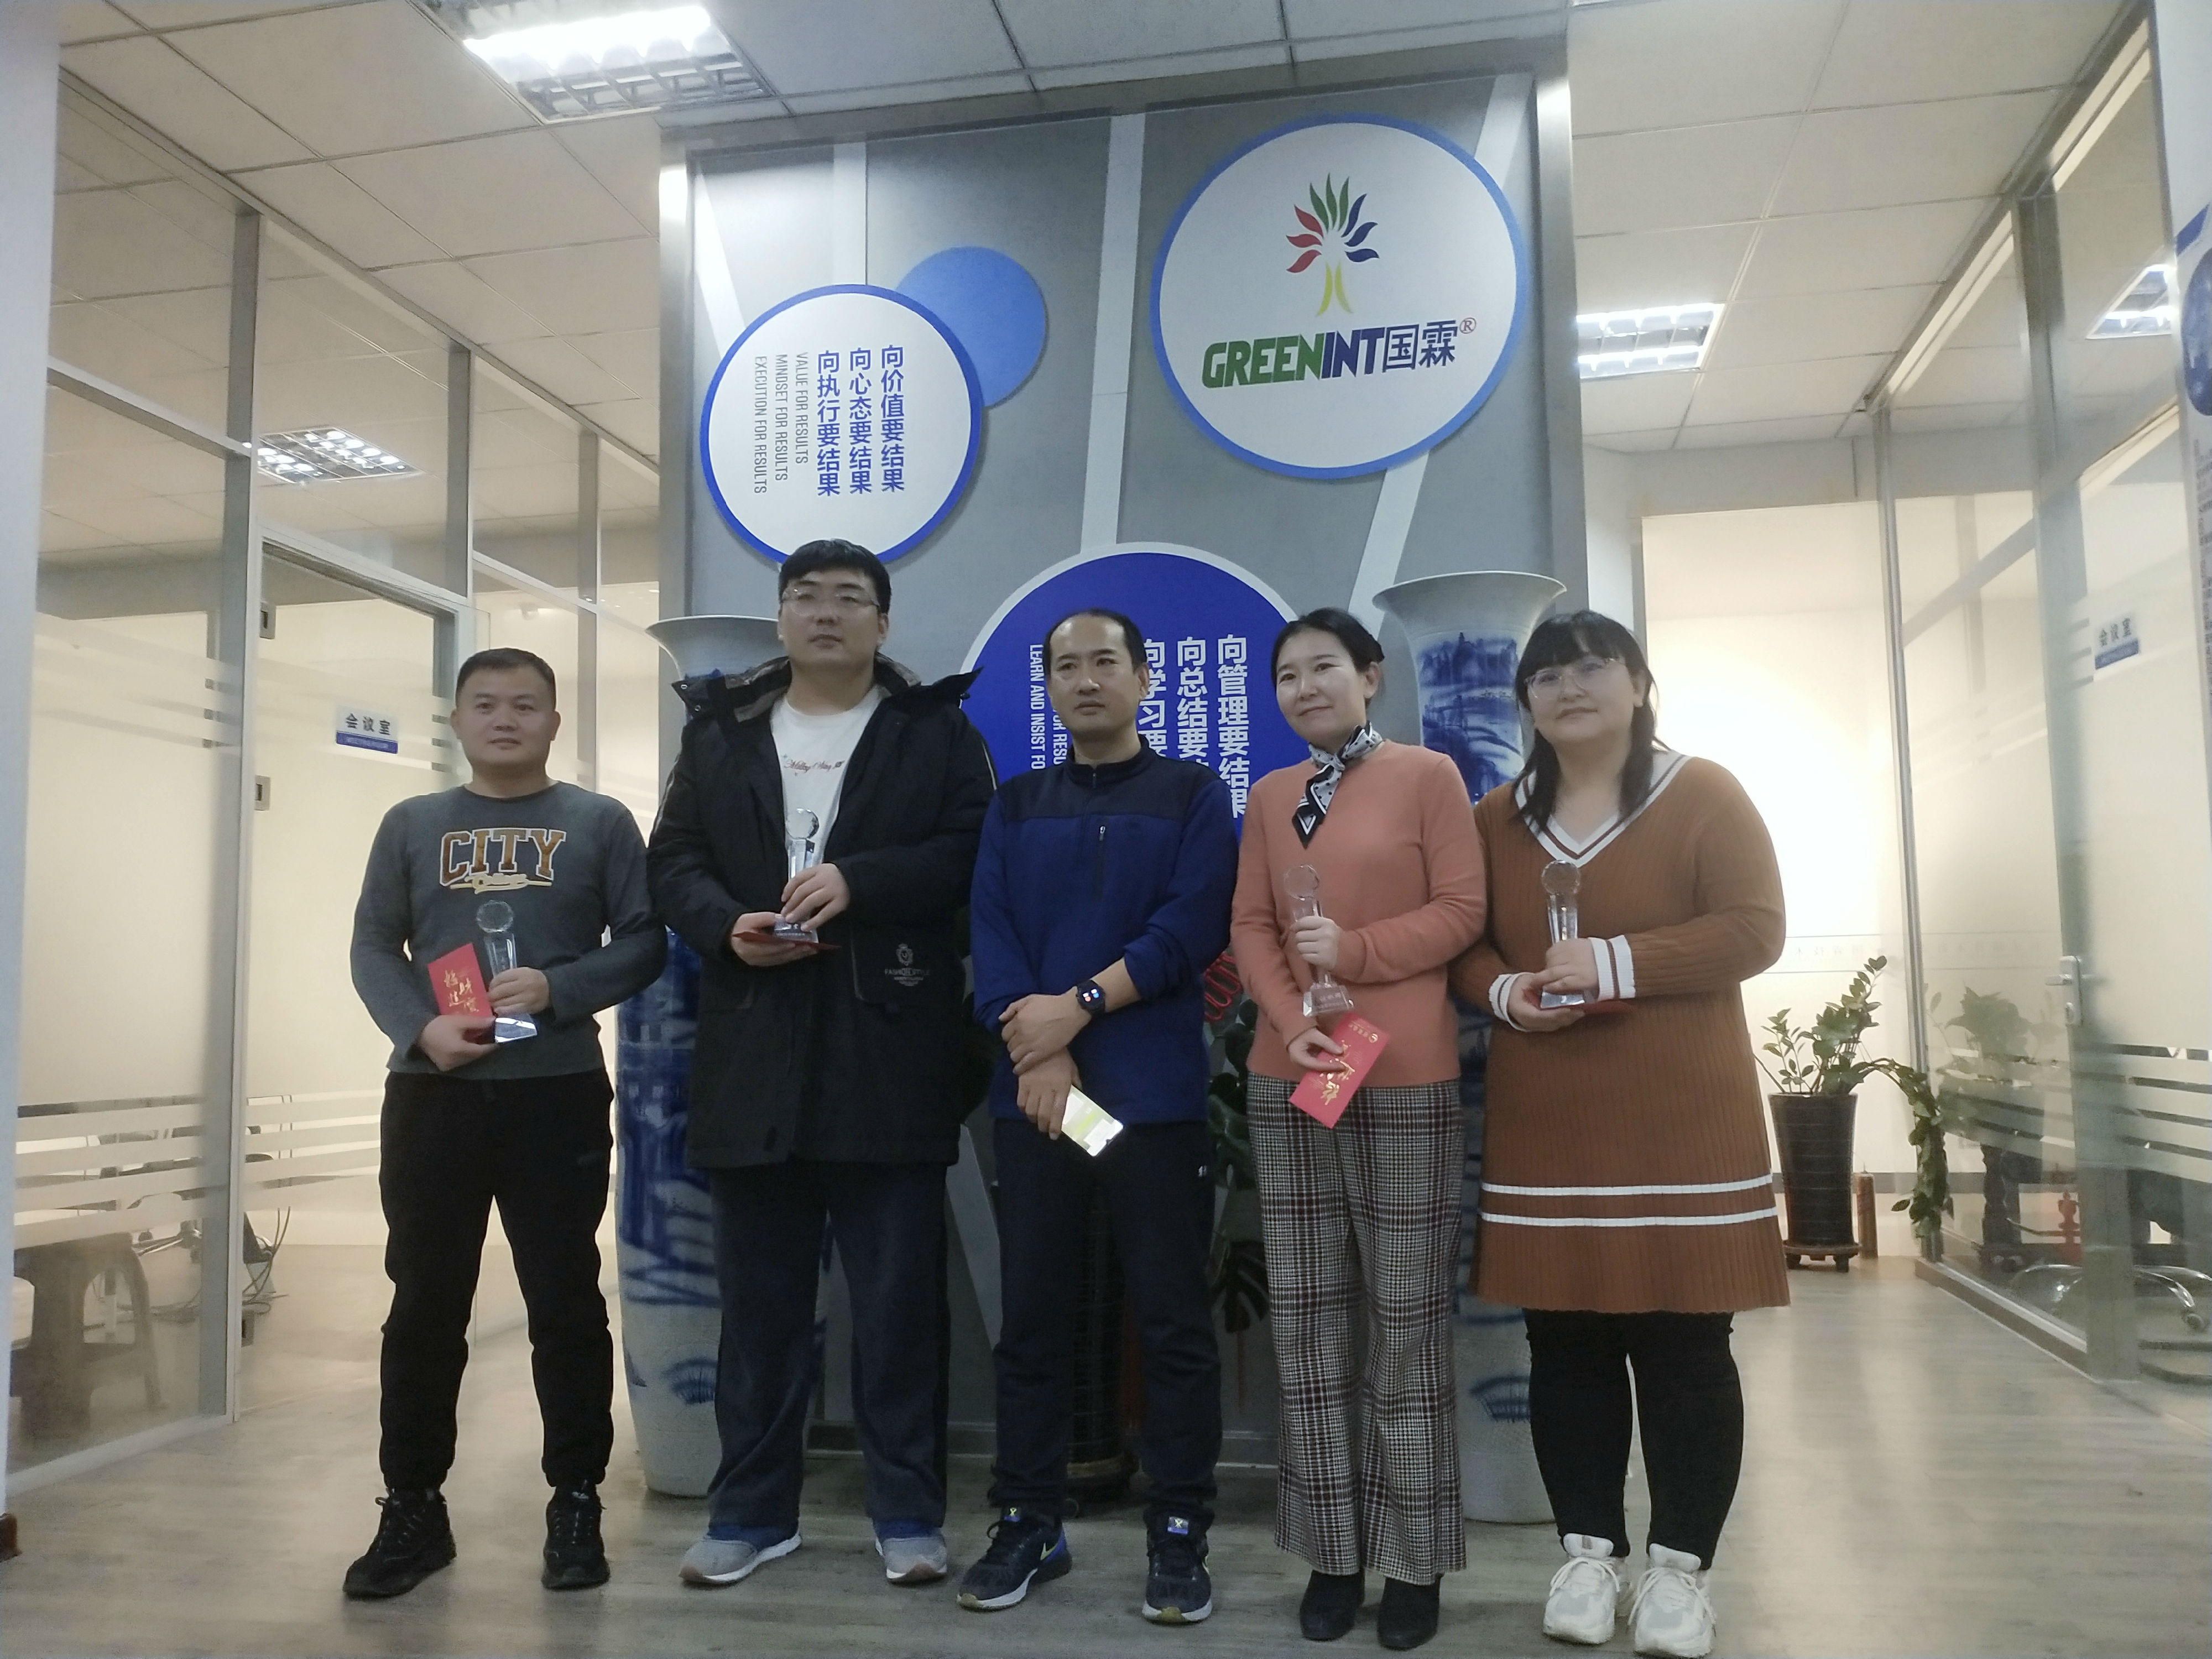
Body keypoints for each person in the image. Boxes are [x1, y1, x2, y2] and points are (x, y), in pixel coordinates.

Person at [646, 539, 996, 1592]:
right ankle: (752, 1514)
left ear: (883, 624)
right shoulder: (719, 734)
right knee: (759, 1313)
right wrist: (725, 925)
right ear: (782, 618)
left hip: (891, 1053)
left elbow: (973, 851)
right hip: (755, 1050)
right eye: (806, 596)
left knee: (898, 1310)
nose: (827, 613)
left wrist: (860, 879)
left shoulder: (934, 731)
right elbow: (674, 861)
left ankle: (908, 1514)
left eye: (851, 598)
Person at [1447, 612, 1787, 1659]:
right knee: (1567, 1344)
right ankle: (1588, 1555)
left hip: (1685, 1119)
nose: (1570, 687)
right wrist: (1507, 992)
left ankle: (1681, 1572)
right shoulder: (1495, 818)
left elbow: (1755, 929)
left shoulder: (1704, 791)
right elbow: (1466, 946)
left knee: (1687, 1347)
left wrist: (1614, 961)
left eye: (1593, 667)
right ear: (1526, 703)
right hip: (1549, 1121)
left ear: (1640, 684)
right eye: (1546, 675)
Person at [345, 646, 667, 1599]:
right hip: (434, 1095)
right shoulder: (412, 823)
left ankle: (576, 1499)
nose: (505, 719)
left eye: (526, 705)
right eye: (485, 704)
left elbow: (645, 942)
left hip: (555, 1091)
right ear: (456, 720)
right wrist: (421, 1027)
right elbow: (373, 944)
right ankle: (413, 1507)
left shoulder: (598, 822)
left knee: (565, 1301)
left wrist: (562, 988)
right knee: (424, 1303)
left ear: (554, 723)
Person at [963, 609, 1237, 1624]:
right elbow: (991, 932)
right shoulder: (1016, 804)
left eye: (1105, 663)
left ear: (1144, 677)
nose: (1086, 680)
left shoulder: (1194, 794)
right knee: (1033, 1319)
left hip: (1146, 1107)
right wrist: (1039, 1050)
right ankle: (1028, 1520)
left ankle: (1180, 1527)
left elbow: (1188, 930)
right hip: (1041, 1103)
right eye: (1066, 666)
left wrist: (1073, 1013)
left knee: (1169, 1319)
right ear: (1048, 685)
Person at [1228, 608, 1485, 1653]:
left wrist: (1360, 952)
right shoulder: (1270, 795)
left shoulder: (1428, 776)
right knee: (1308, 1320)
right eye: (1287, 675)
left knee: (1407, 1320)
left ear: (1370, 677)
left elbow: (1463, 911)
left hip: (1407, 1069)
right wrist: (1289, 1016)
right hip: (1294, 1071)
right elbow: (1251, 924)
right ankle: (1333, 1553)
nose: (1305, 687)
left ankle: (1414, 1563)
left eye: (1324, 667)